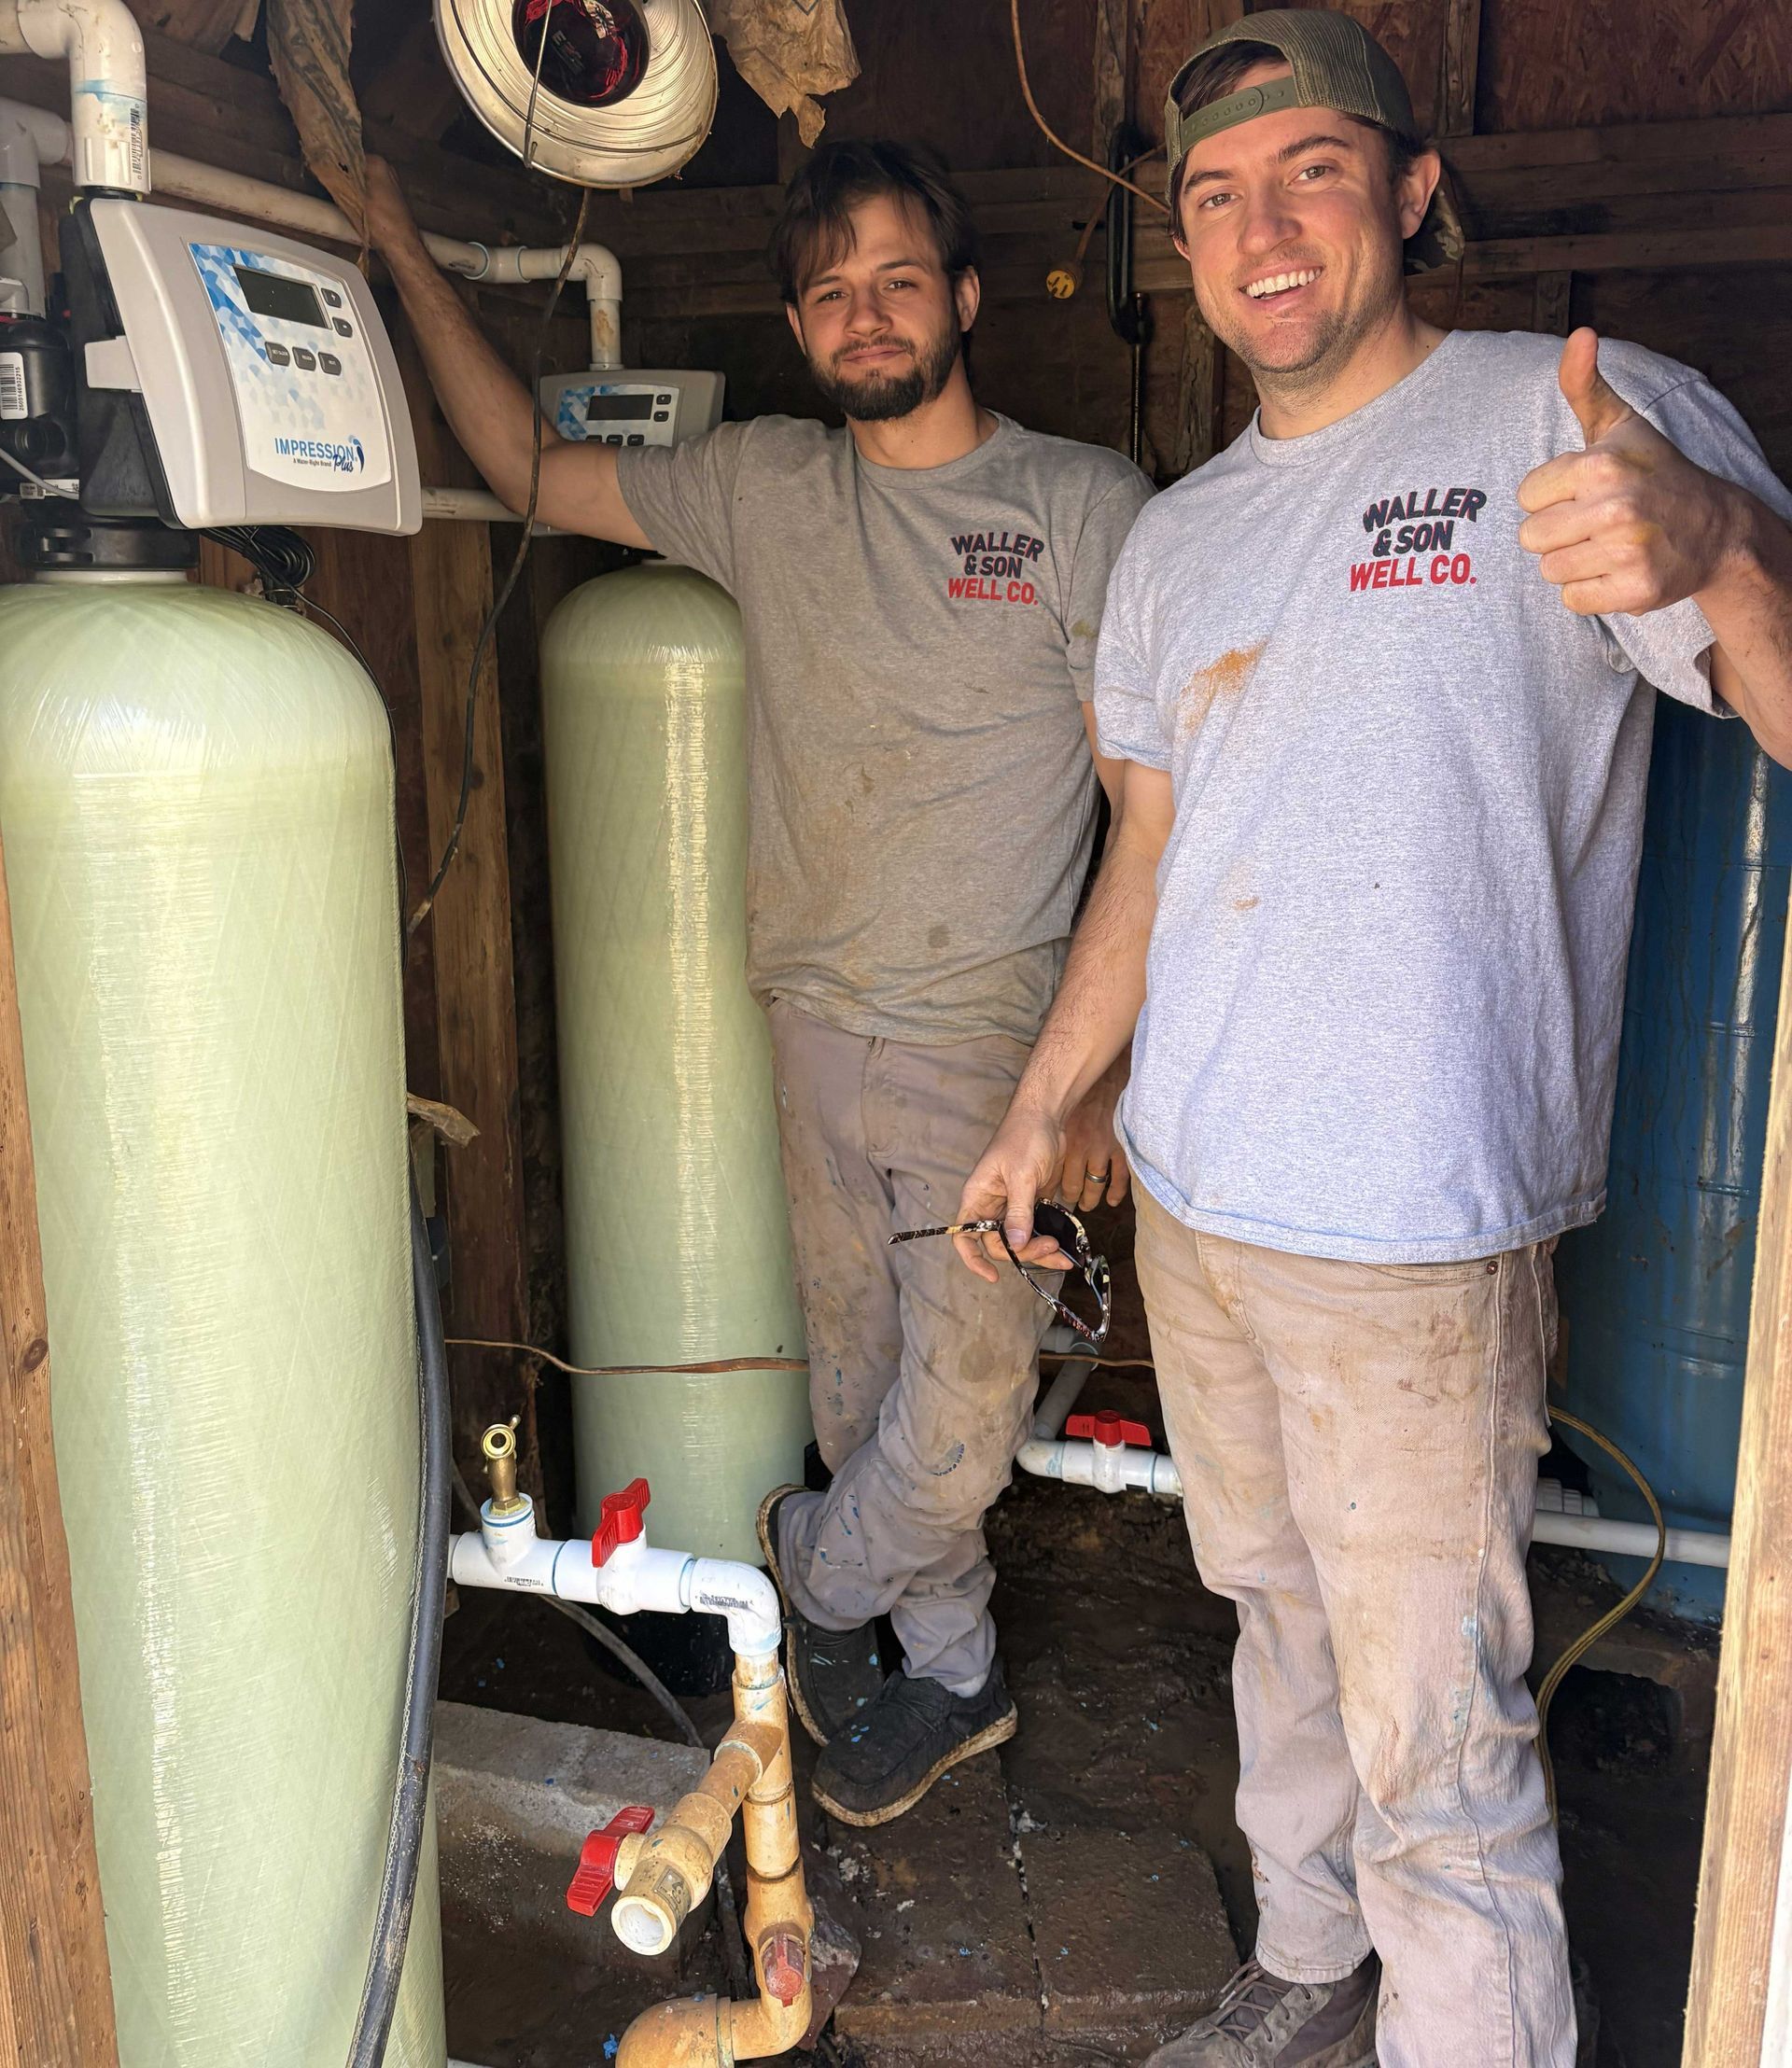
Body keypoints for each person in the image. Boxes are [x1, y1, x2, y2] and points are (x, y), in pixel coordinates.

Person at [953, 11, 1792, 2064]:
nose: (1263, 228)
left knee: (1436, 1715)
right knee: (1275, 1622)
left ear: (1412, 193)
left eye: (1312, 169)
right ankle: (1312, 1971)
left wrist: (1727, 557)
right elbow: (1148, 855)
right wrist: (1046, 1104)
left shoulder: (1567, 417)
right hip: (1204, 1197)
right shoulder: (1179, 537)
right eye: (1218, 194)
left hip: (1419, 1223)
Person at [364, 139, 1153, 1826]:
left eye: (896, 279)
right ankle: (955, 1680)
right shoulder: (763, 484)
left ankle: (805, 1563)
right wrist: (384, 228)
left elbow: (1152, 820)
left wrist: (1090, 1082)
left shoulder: (1082, 508)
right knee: (864, 1386)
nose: (866, 315)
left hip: (993, 1052)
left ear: (966, 297)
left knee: (953, 1428)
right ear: (800, 326)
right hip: (805, 1027)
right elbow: (517, 460)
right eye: (830, 292)